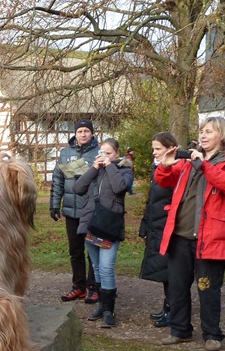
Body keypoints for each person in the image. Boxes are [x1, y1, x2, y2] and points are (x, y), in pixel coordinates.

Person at [156, 116, 225, 351]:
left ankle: (212, 334)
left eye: (209, 131)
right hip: (180, 236)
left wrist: (204, 165)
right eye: (202, 131)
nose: (203, 135)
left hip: (210, 238)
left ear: (222, 136)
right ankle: (180, 330)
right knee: (177, 287)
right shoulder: (189, 162)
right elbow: (164, 181)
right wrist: (165, 165)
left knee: (207, 288)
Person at [74, 138, 134, 328]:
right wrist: (93, 168)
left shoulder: (124, 170)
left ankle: (109, 310)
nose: (105, 156)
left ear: (117, 153)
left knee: (107, 267)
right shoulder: (95, 170)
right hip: (91, 225)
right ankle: (101, 305)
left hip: (109, 226)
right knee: (97, 267)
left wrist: (109, 166)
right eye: (102, 153)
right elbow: (78, 188)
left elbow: (120, 187)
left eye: (109, 153)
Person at [50, 118, 99, 303]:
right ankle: (79, 285)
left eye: (86, 131)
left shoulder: (99, 152)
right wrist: (55, 204)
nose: (83, 134)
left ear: (92, 133)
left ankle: (93, 287)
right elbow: (58, 179)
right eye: (80, 131)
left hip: (91, 210)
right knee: (75, 251)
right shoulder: (65, 153)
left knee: (93, 250)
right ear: (75, 134)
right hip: (71, 210)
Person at [139, 132, 177, 328]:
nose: (154, 152)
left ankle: (173, 310)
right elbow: (152, 201)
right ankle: (167, 308)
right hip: (157, 225)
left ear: (170, 149)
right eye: (153, 149)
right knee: (163, 271)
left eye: (158, 149)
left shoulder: (176, 169)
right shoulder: (158, 169)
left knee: (170, 271)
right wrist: (145, 224)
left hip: (169, 227)